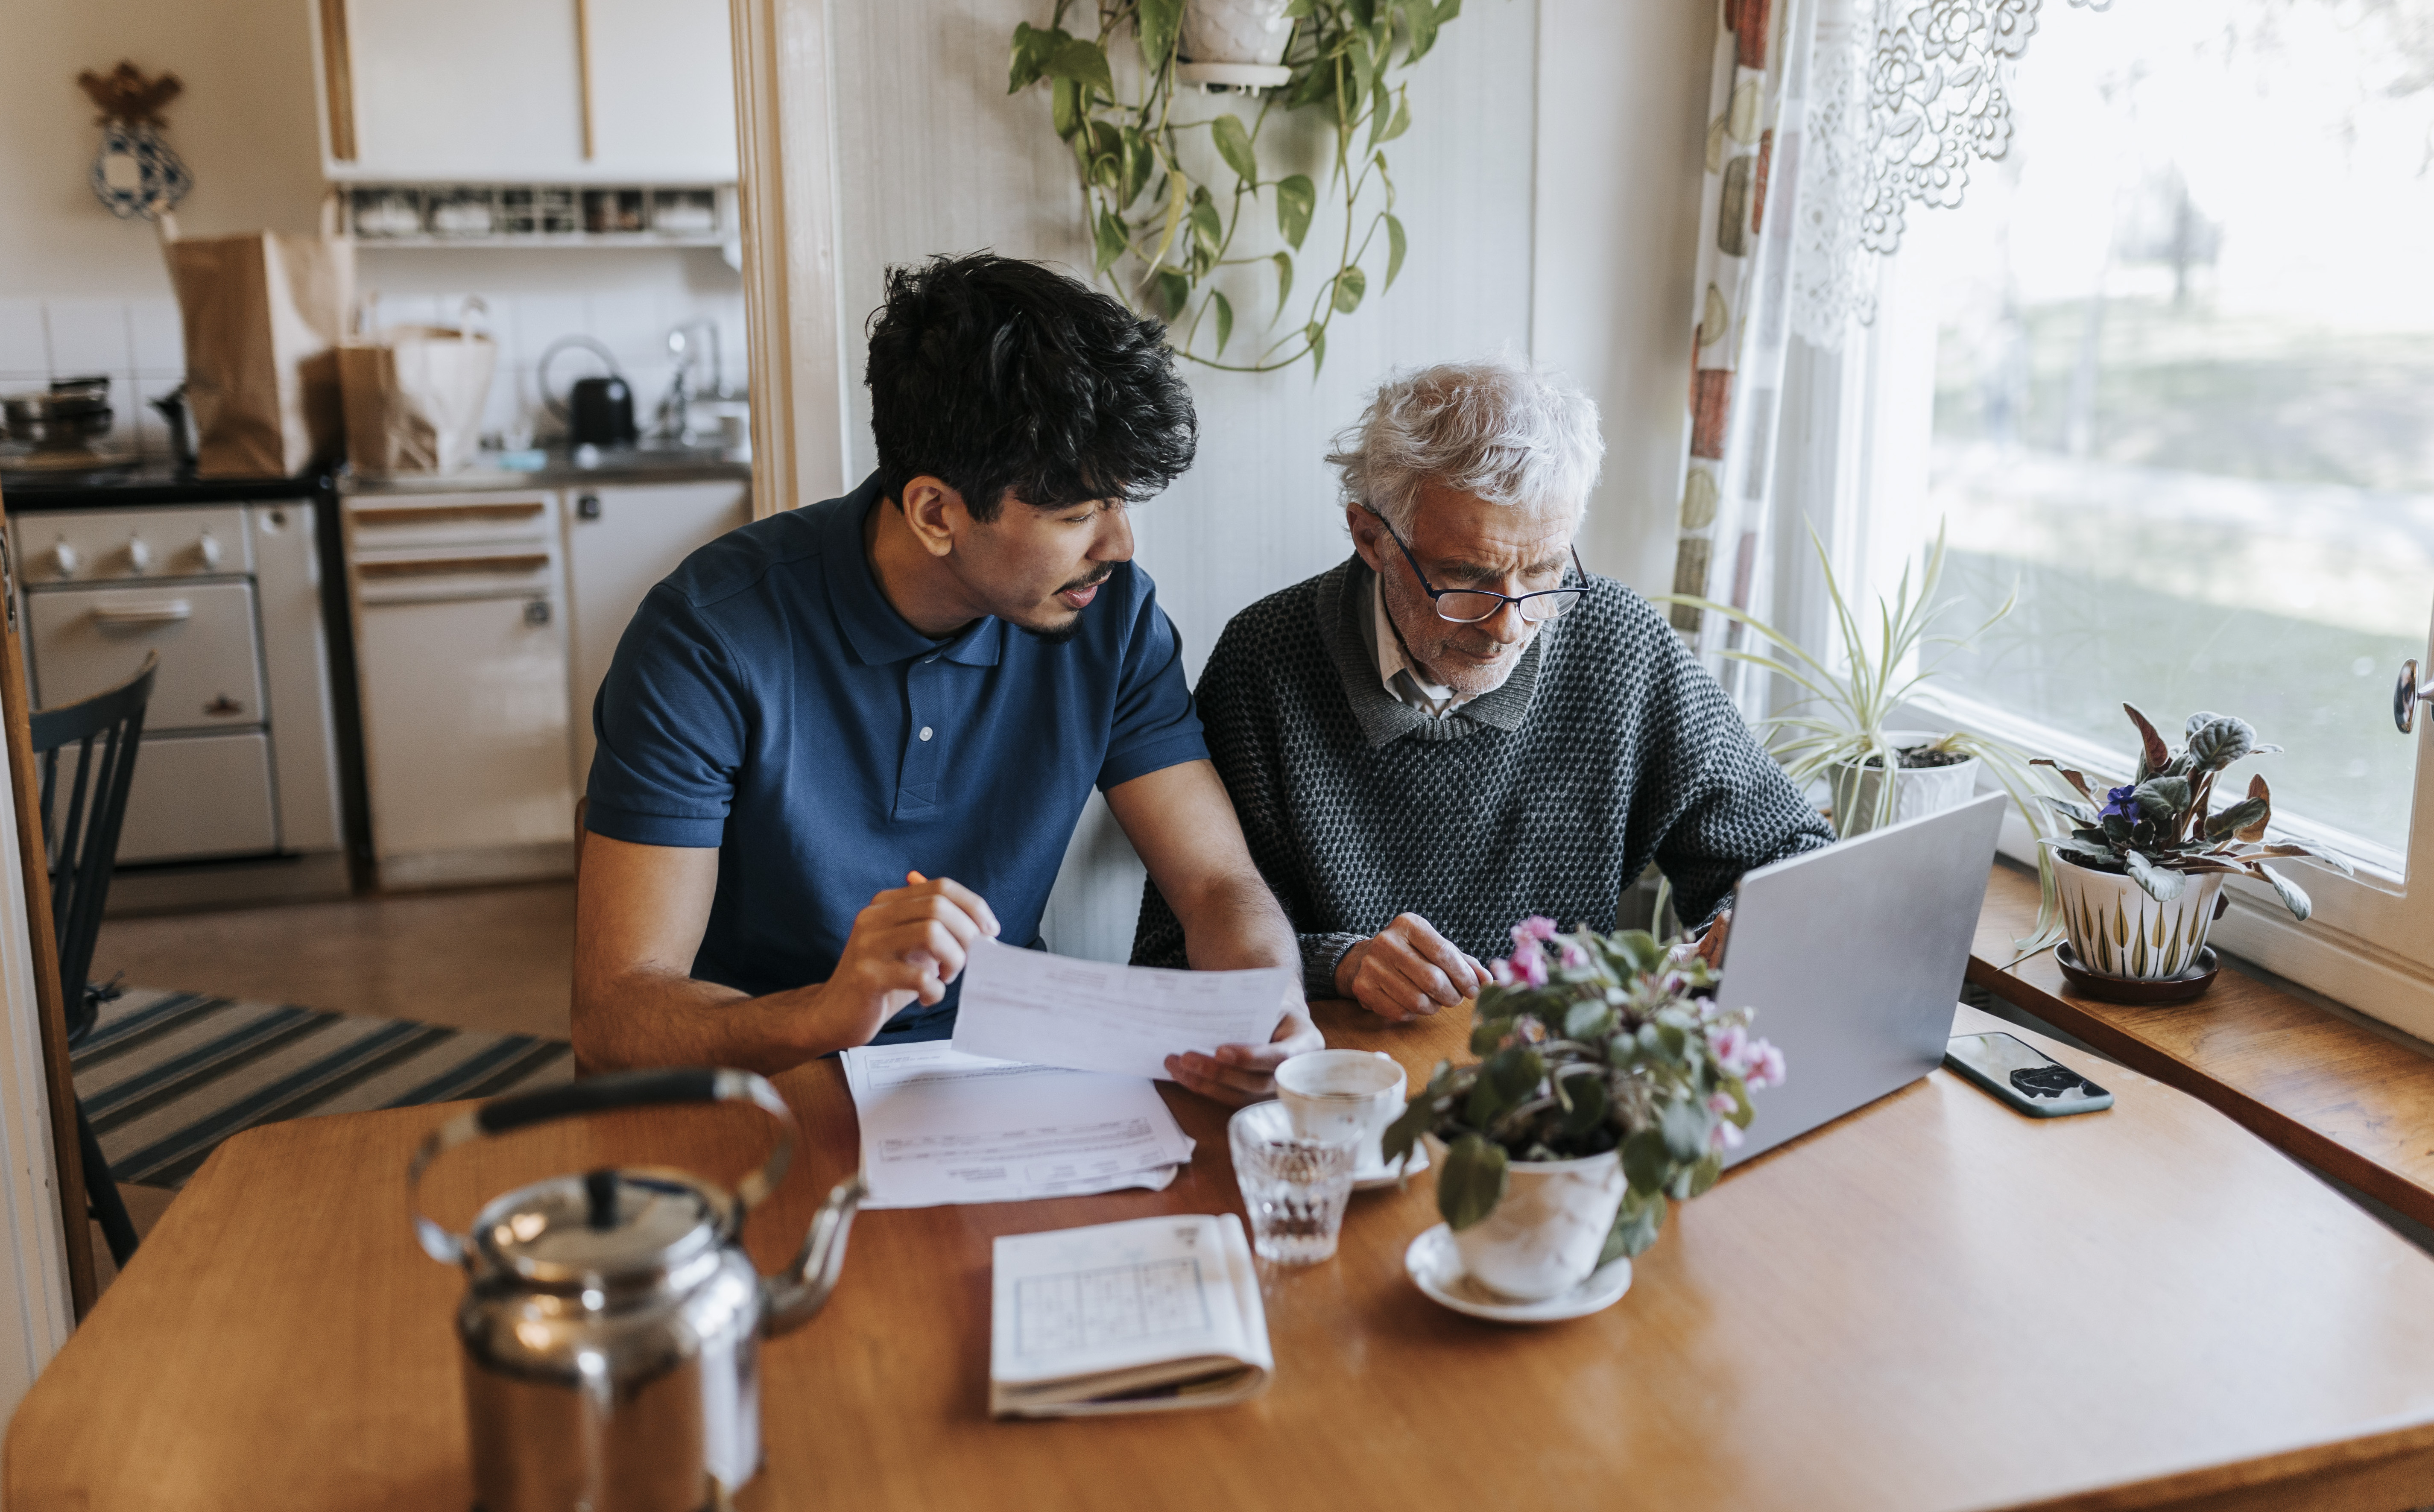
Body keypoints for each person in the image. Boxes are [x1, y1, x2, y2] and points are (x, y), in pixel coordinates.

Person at [574, 251, 1315, 1101]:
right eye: (1078, 514)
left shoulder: (1111, 616)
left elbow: (1217, 881)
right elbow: (615, 1017)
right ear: (935, 512)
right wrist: (828, 1013)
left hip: (1009, 1081)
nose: (1120, 547)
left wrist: (1269, 995)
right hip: (768, 1086)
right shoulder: (707, 638)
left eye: (1121, 504)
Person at [1132, 357, 1831, 1019]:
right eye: (1465, 578)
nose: (1508, 623)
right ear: (1370, 538)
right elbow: (1173, 961)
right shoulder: (1265, 662)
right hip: (1354, 1079)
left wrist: (1733, 933)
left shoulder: (1617, 642)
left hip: (1559, 1080)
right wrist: (1338, 965)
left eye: (1545, 571)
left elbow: (1792, 855)